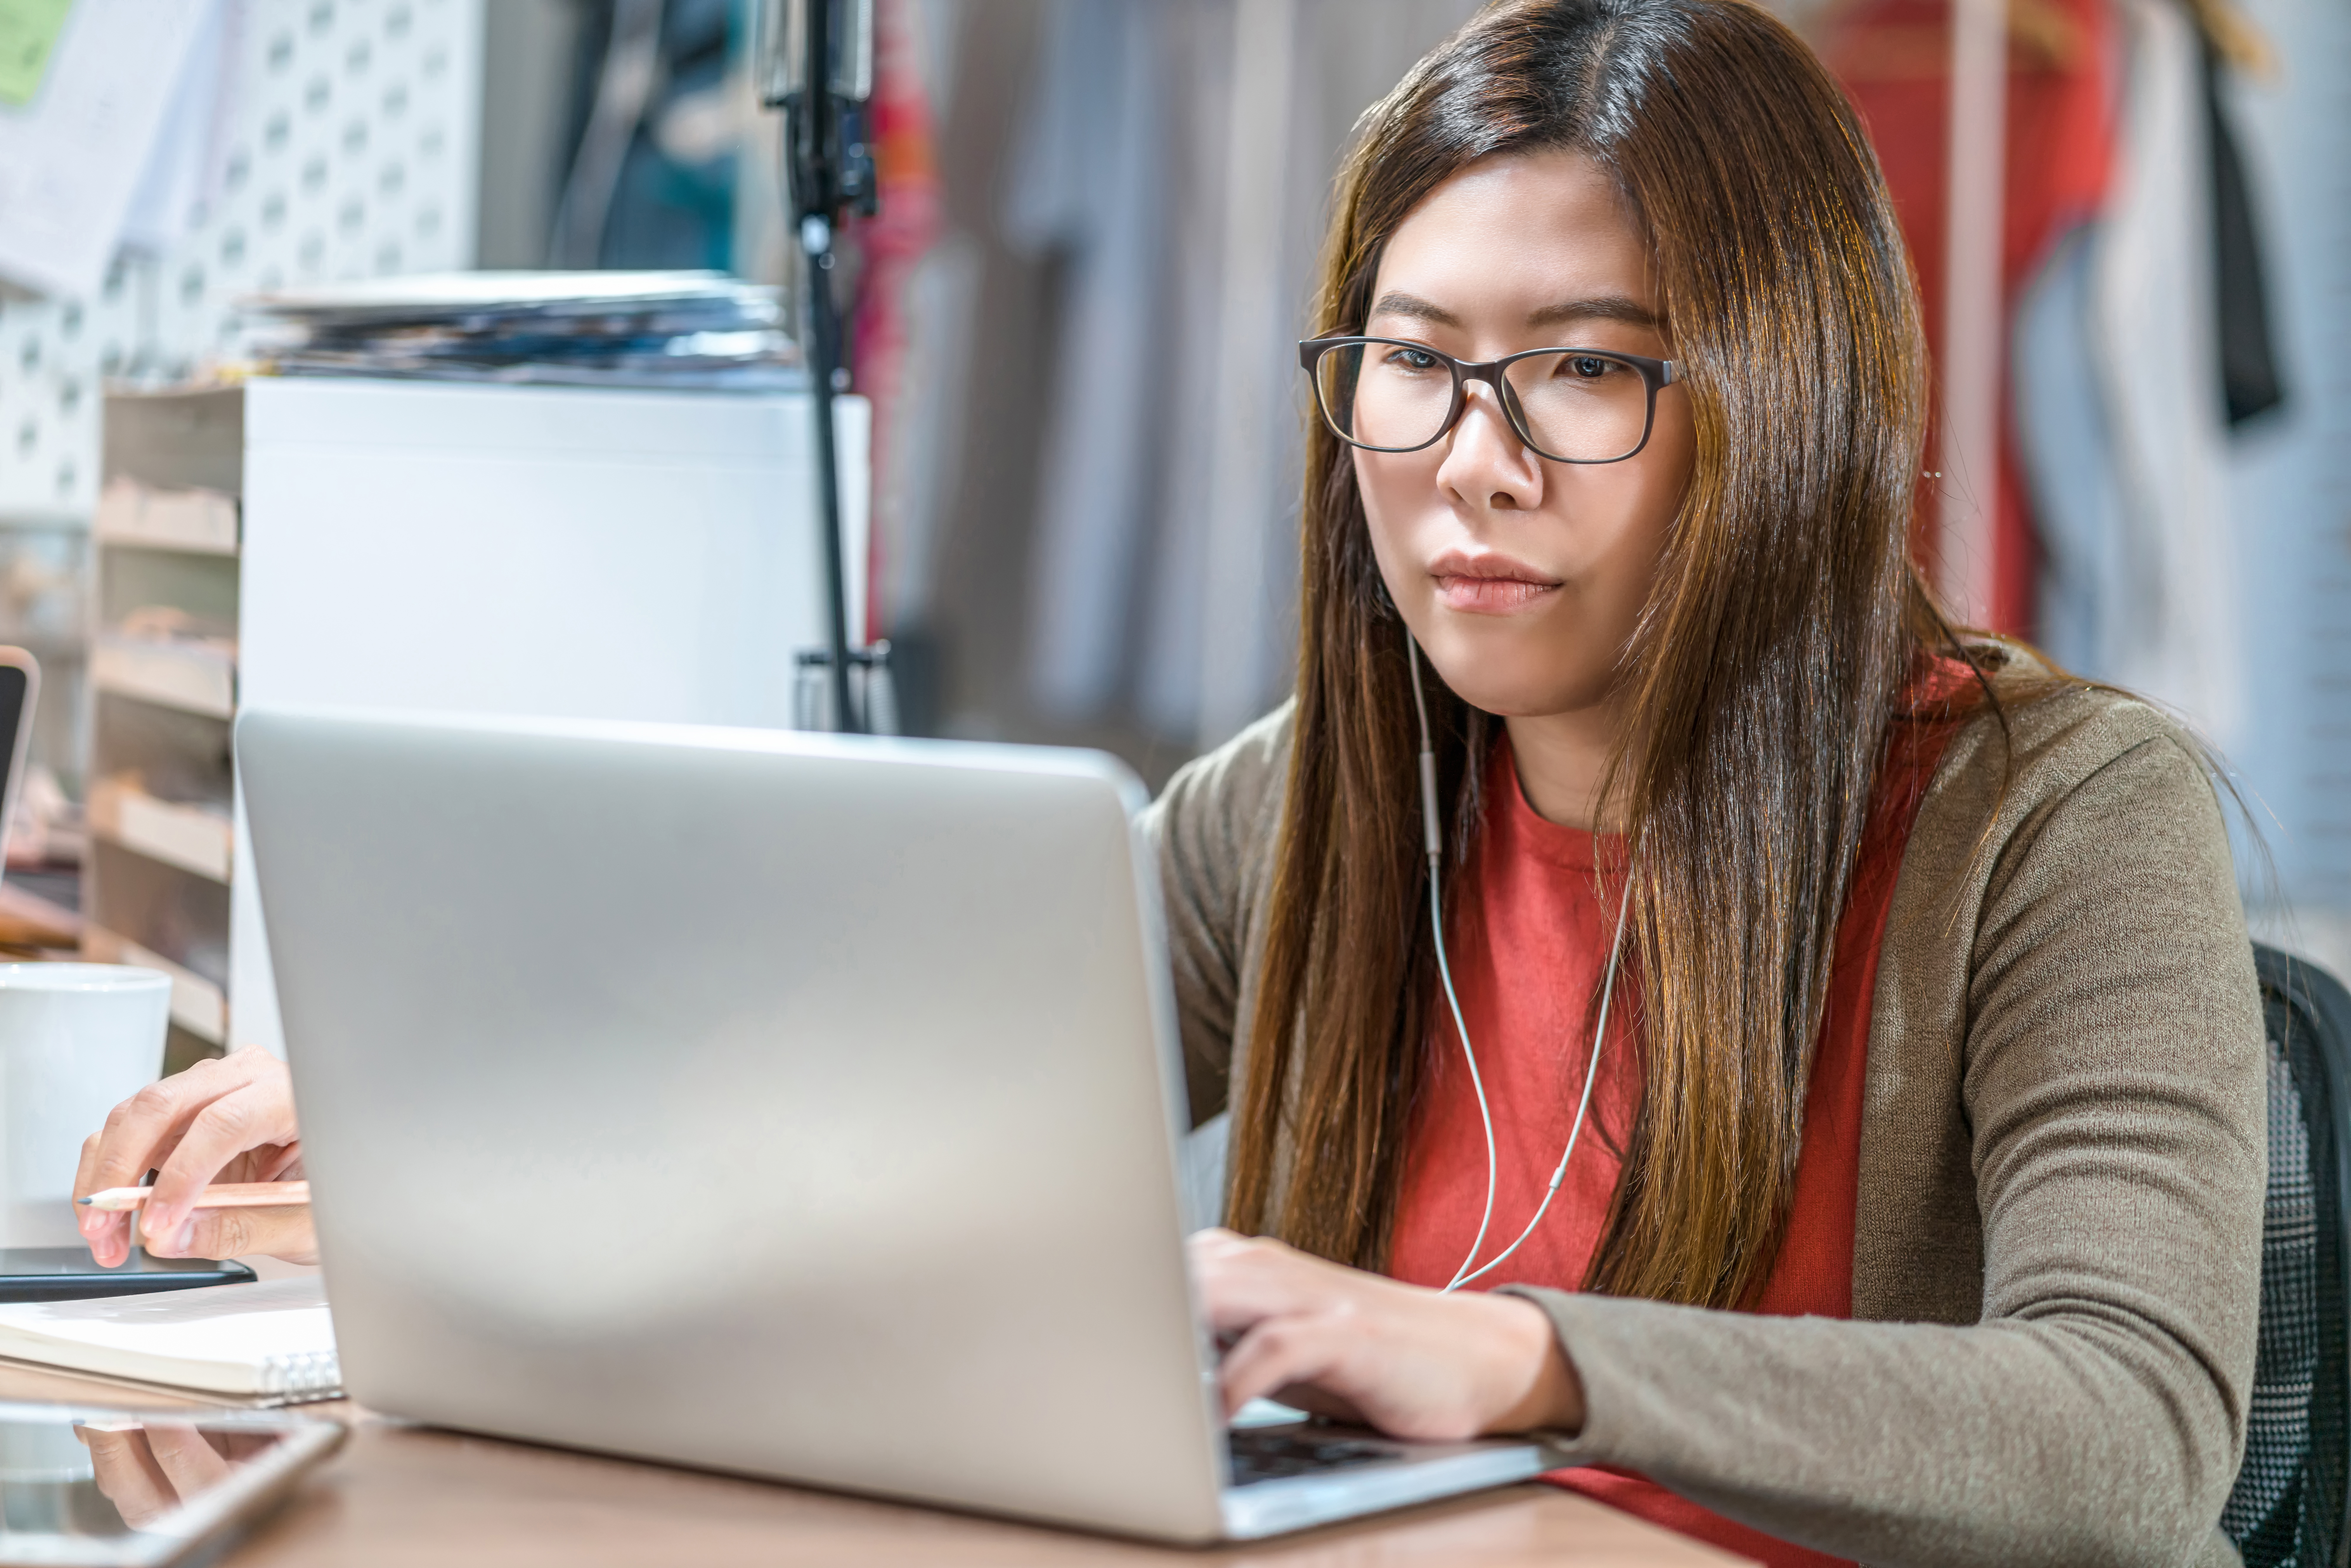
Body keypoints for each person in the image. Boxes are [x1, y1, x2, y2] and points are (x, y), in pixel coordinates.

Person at [74, 1, 2265, 1563]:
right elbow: (840, 1085)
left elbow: (2135, 1433)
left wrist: (1512, 1359)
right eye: (1411, 365)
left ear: (1785, 397)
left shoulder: (2064, 820)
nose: (1467, 466)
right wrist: (413, 1102)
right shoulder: (1320, 799)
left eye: (1588, 367)